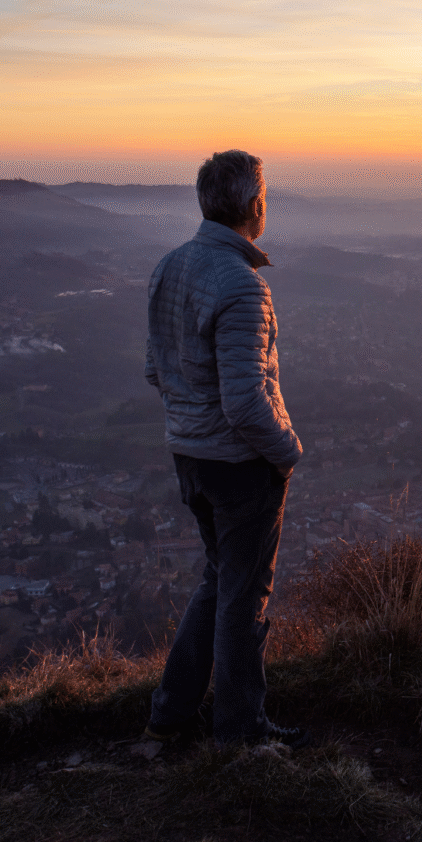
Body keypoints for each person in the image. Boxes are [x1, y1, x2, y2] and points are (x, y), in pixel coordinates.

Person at [143, 149, 306, 748]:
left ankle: (171, 711)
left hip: (189, 455)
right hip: (241, 464)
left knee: (220, 582)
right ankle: (241, 731)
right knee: (244, 598)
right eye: (265, 196)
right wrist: (287, 451)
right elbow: (244, 401)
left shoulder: (169, 267)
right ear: (252, 204)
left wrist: (190, 421)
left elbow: (156, 369)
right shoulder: (243, 286)